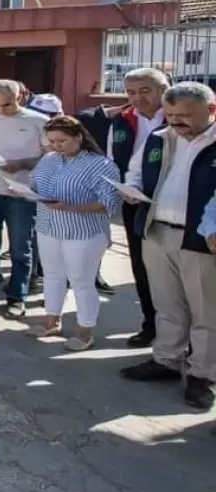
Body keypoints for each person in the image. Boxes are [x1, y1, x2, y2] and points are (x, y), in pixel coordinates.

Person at [122, 82, 216, 410]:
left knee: (206, 310)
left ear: (211, 110)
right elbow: (135, 171)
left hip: (201, 238)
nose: (175, 121)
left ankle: (203, 374)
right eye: (171, 114)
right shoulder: (159, 137)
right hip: (157, 231)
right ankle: (167, 360)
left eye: (185, 115)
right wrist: (131, 189)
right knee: (167, 303)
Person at [78, 66, 168, 347]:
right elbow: (114, 159)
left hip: (172, 205)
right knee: (141, 267)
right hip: (135, 201)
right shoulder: (123, 120)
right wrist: (122, 188)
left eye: (145, 90)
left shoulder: (179, 117)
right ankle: (150, 325)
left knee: (173, 273)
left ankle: (180, 335)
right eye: (130, 92)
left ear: (163, 89)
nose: (137, 97)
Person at [28, 116, 121, 351]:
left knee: (81, 281)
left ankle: (84, 331)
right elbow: (35, 184)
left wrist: (72, 207)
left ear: (78, 137)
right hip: (49, 226)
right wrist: (23, 191)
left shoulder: (100, 164)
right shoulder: (48, 159)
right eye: (52, 141)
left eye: (62, 141)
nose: (56, 146)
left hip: (83, 232)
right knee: (52, 275)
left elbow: (109, 202)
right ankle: (52, 321)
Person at [0, 79, 47, 319]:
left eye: (7, 105)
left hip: (23, 193)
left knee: (21, 249)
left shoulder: (39, 121)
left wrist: (23, 163)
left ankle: (17, 296)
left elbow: (51, 156)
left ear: (20, 97)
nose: (1, 110)